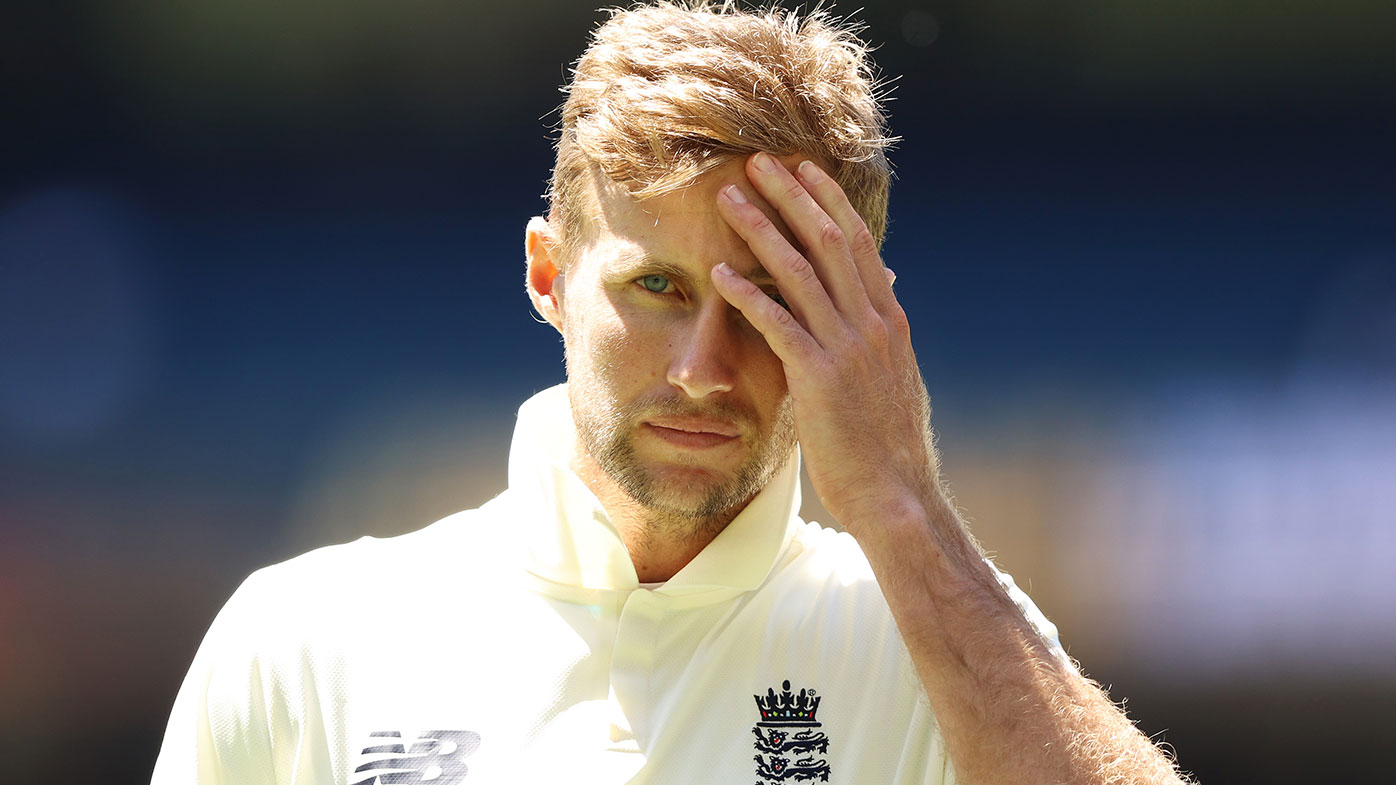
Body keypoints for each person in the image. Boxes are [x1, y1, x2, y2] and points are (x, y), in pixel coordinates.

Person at [153, 3, 1190, 783]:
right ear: (547, 277)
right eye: (658, 287)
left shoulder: (938, 644)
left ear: (858, 321)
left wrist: (902, 503)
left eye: (770, 300)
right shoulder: (304, 638)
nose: (704, 363)